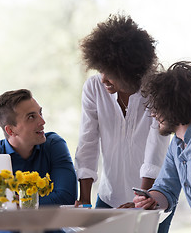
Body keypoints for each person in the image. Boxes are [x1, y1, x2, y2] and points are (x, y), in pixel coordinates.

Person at [74, 13, 172, 232]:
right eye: (100, 69)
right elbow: (87, 142)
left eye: (110, 72)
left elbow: (156, 149)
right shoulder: (93, 88)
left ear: (129, 70)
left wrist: (140, 201)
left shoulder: (156, 91)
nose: (103, 78)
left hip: (151, 200)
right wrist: (85, 201)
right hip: (108, 197)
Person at [134, 61, 191, 233]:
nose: (153, 113)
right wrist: (150, 200)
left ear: (173, 106)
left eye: (157, 106)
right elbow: (166, 190)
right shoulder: (177, 145)